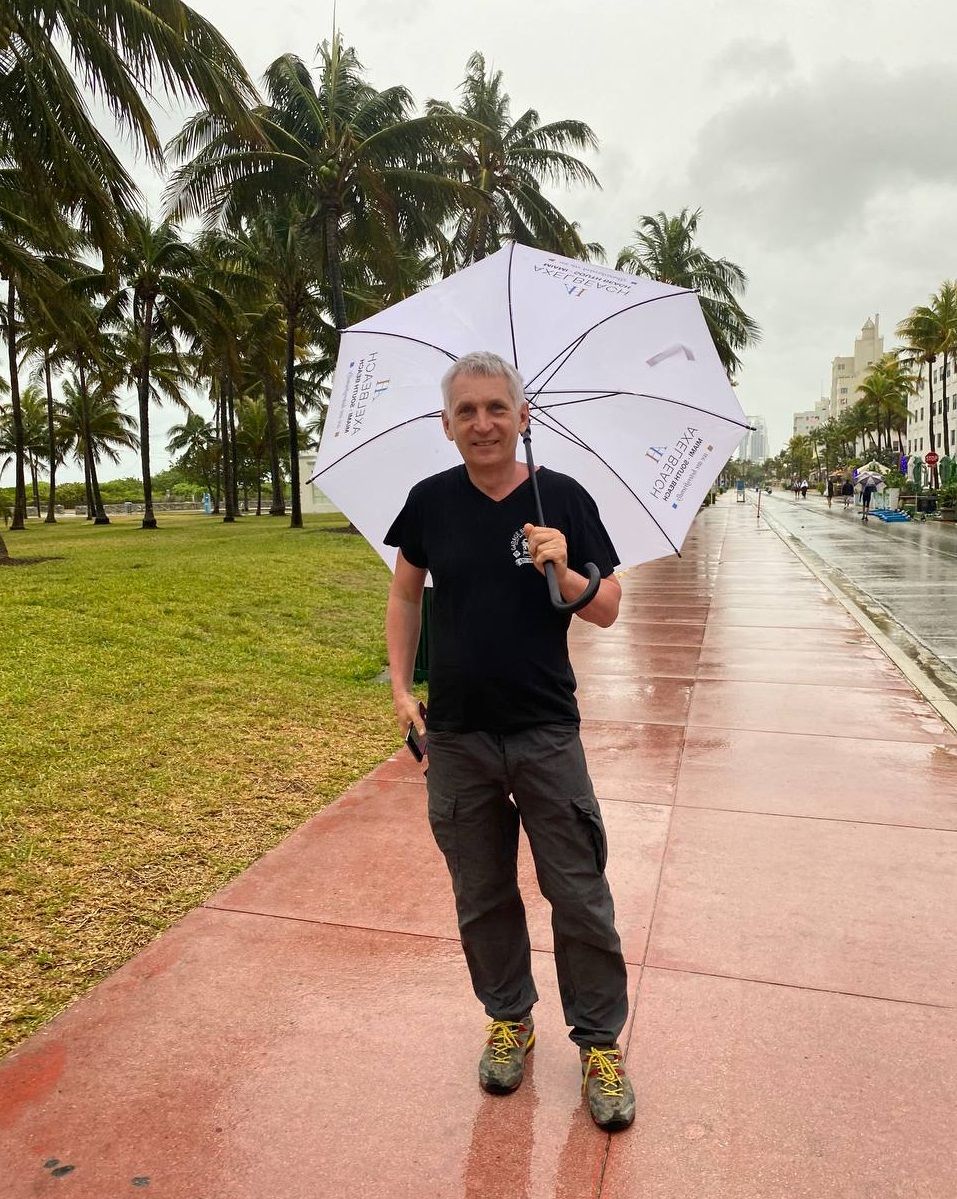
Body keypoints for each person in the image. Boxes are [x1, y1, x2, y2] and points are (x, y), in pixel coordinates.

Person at [384, 350, 635, 1132]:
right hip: (456, 734)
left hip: (544, 729)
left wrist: (569, 573)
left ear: (523, 416)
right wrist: (400, 688)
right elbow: (404, 593)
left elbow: (609, 607)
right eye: (466, 410)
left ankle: (599, 1043)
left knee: (578, 891)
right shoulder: (429, 502)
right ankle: (508, 1020)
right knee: (482, 891)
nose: (482, 422)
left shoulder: (561, 497)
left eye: (496, 407)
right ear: (446, 424)